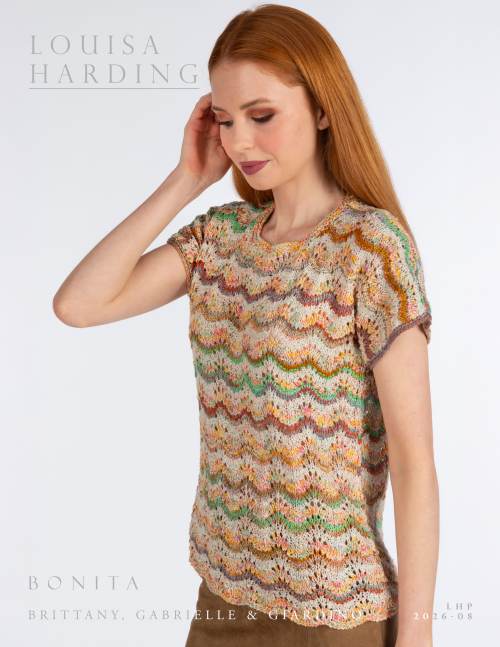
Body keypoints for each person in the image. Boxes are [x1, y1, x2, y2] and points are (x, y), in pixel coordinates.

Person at [52, 5, 439, 647]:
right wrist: (186, 180)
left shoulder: (371, 249)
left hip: (335, 616)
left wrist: (418, 637)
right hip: (222, 599)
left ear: (322, 109)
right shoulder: (220, 239)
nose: (240, 142)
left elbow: (414, 463)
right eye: (227, 120)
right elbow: (79, 305)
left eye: (262, 116)